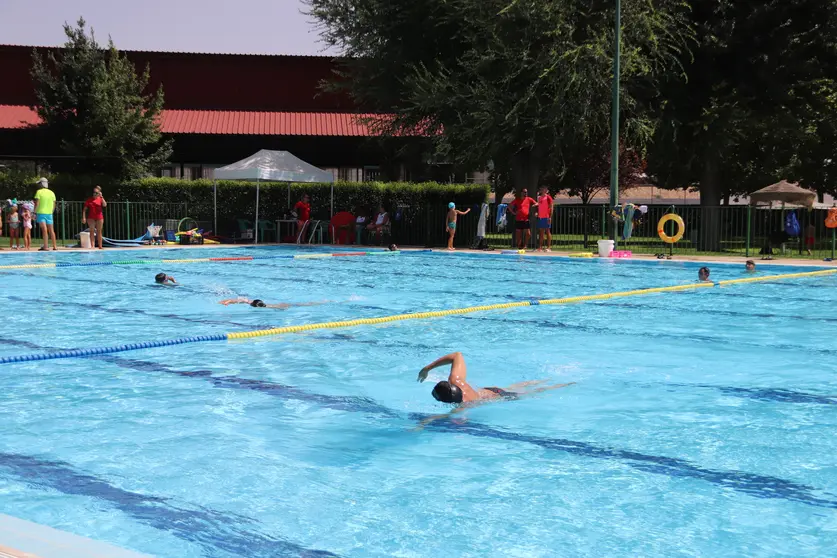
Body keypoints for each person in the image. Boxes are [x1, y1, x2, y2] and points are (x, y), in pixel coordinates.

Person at [417, 352, 574, 405]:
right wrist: (427, 368)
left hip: (502, 397)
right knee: (527, 385)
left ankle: (566, 384)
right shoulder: (458, 382)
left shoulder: (465, 405)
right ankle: (557, 379)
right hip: (493, 390)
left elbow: (450, 419)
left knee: (537, 392)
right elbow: (457, 355)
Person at [34, 178, 58, 251]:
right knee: (51, 230)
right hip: (49, 213)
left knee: (44, 229)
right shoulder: (52, 192)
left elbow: (37, 203)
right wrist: (51, 212)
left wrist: (34, 212)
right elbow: (54, 204)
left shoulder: (39, 192)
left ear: (41, 184)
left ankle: (46, 246)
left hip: (41, 213)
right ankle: (55, 246)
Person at [82, 185, 107, 249]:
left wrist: (101, 197)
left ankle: (100, 246)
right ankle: (92, 246)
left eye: (97, 193)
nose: (95, 194)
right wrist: (84, 217)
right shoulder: (89, 200)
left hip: (99, 217)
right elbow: (84, 210)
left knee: (99, 231)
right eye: (94, 192)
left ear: (99, 193)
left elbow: (104, 205)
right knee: (92, 230)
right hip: (91, 217)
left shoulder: (100, 199)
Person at [219, 298, 329, 309]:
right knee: (304, 304)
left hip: (283, 306)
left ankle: (322, 302)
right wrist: (228, 301)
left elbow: (241, 301)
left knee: (304, 305)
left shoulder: (267, 307)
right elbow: (240, 300)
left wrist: (228, 301)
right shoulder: (251, 302)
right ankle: (323, 302)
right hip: (283, 305)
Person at [536, 186, 554, 252]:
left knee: (547, 231)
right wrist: (537, 213)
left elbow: (551, 207)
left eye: (544, 189)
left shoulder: (548, 197)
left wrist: (550, 217)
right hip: (541, 217)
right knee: (541, 232)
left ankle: (549, 247)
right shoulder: (539, 198)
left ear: (546, 190)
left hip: (546, 217)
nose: (542, 190)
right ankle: (540, 247)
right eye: (541, 189)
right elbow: (540, 207)